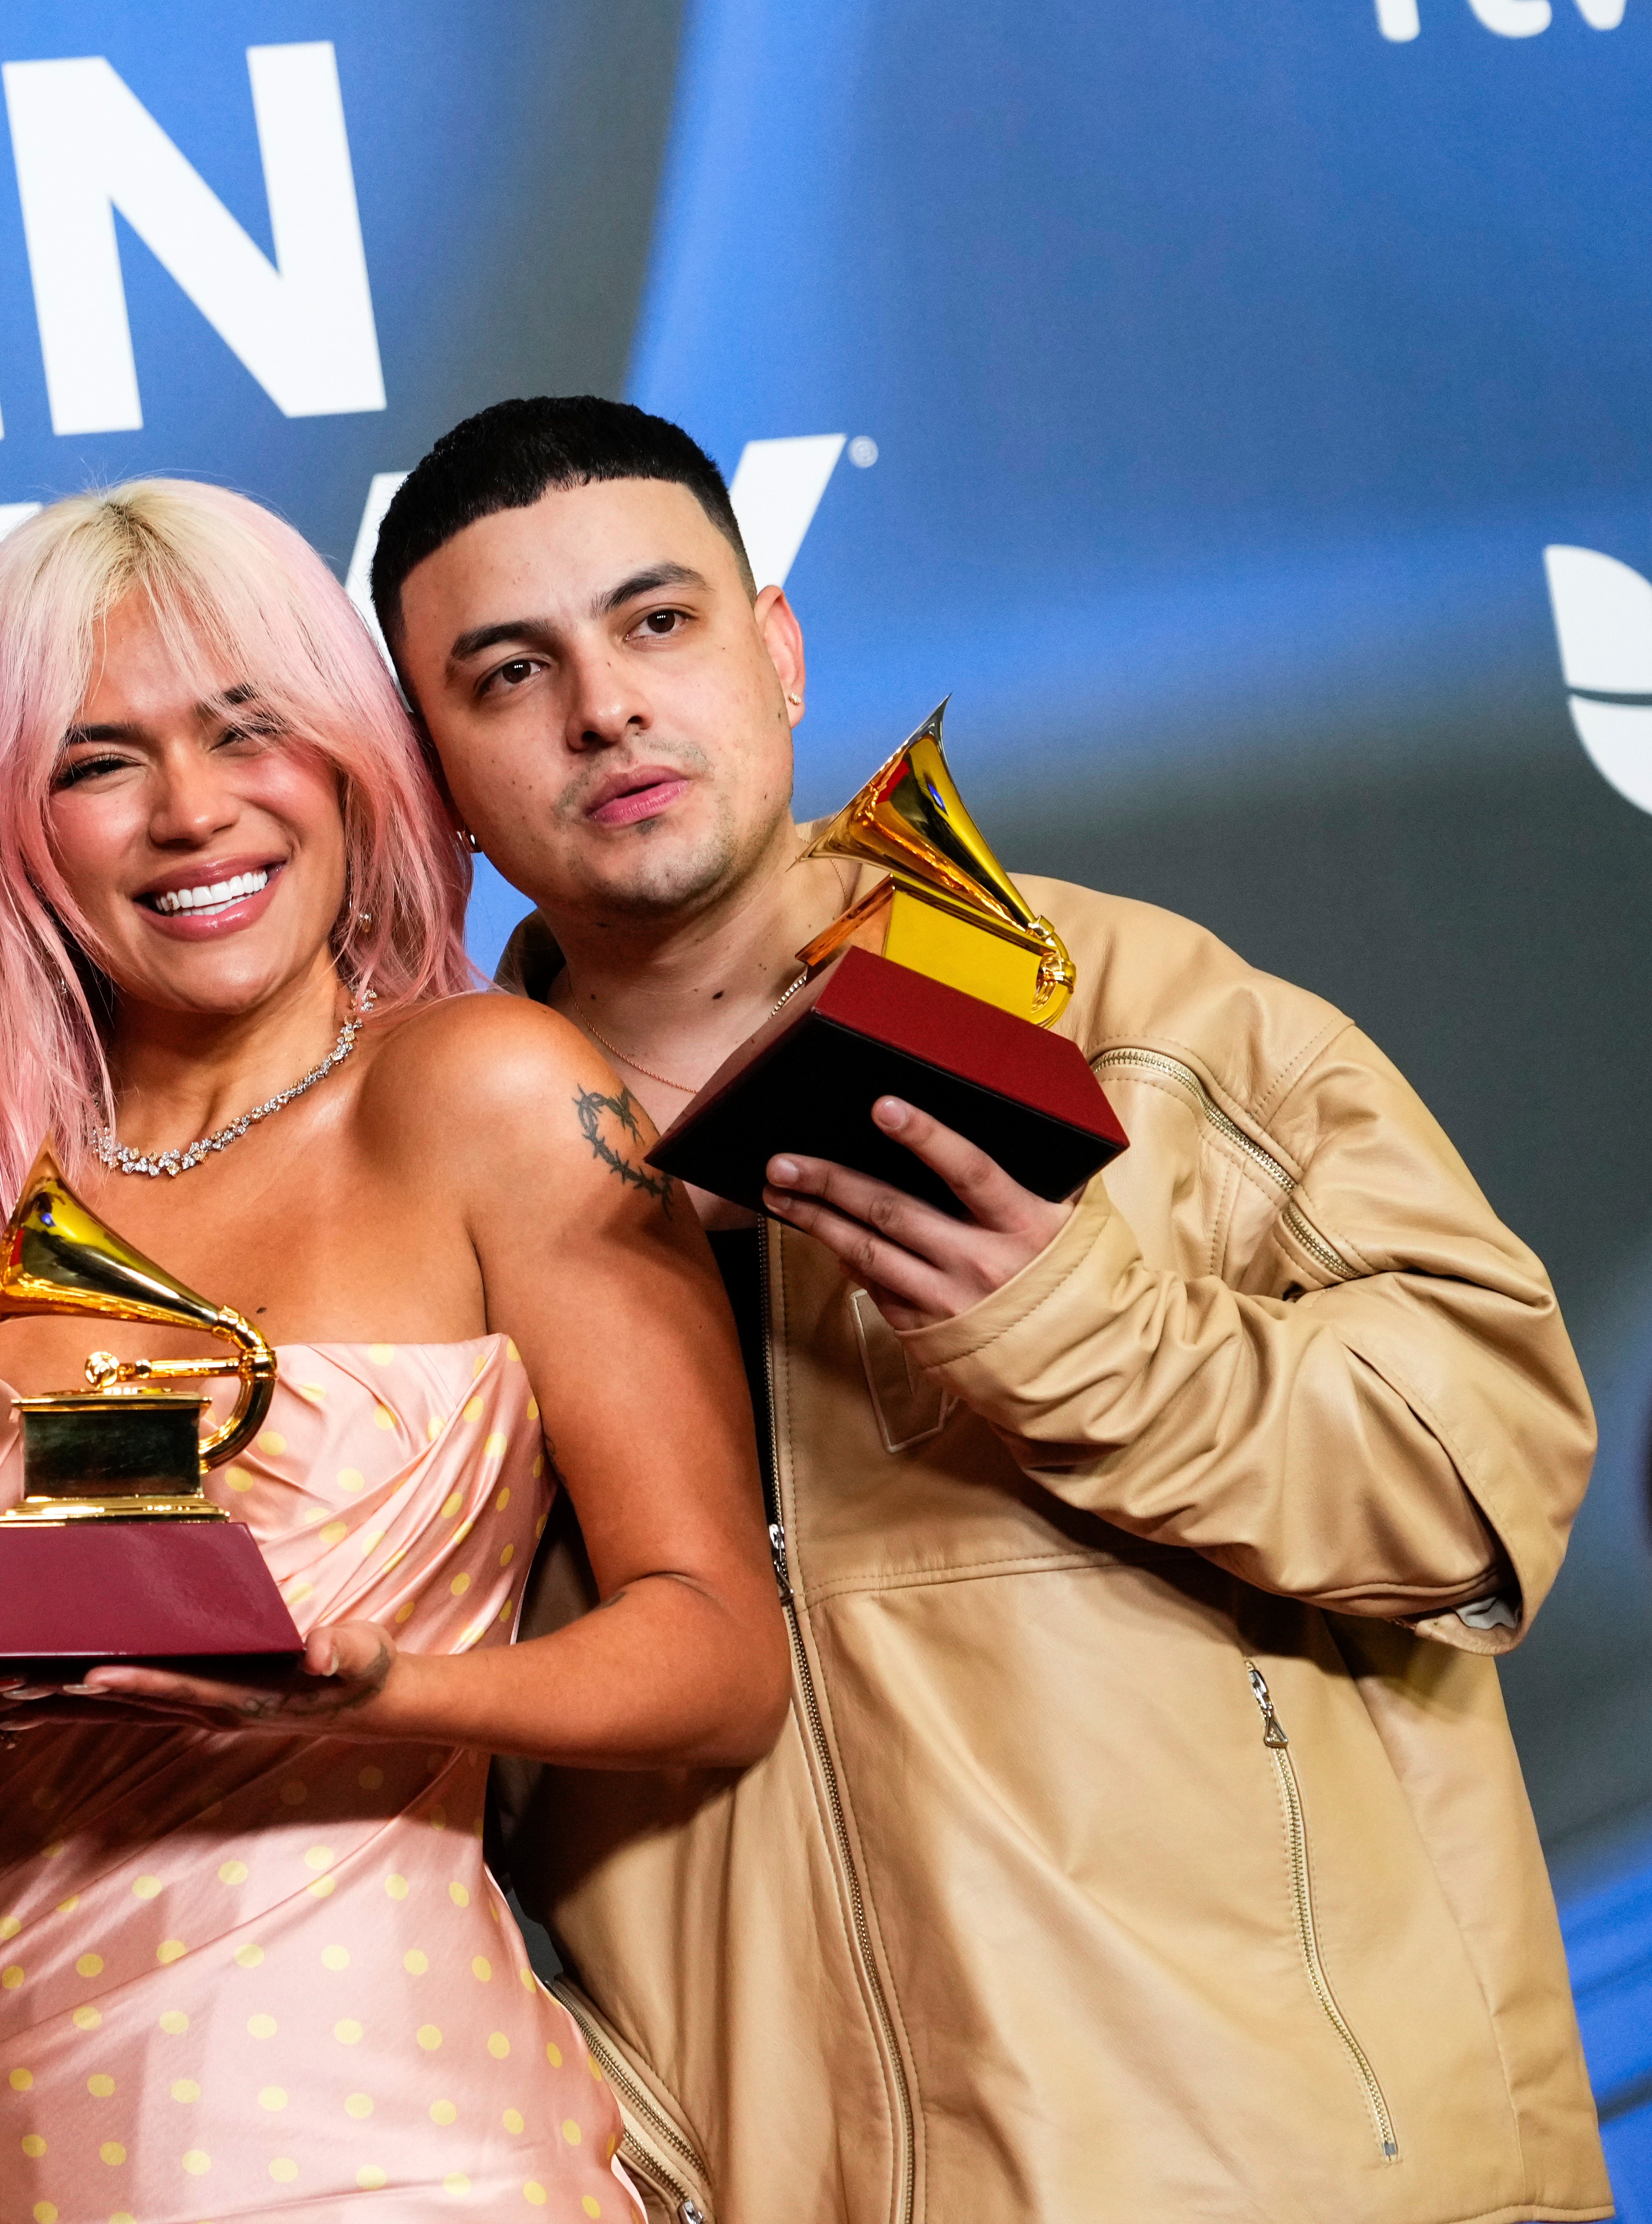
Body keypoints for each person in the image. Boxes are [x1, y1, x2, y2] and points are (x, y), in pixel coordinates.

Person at [371, 394, 1611, 2224]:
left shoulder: (1140, 1011)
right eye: (505, 674)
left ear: (774, 650)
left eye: (657, 622)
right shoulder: (415, 1195)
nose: (605, 708)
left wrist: (1069, 1323)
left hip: (1276, 2175)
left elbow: (1482, 1485)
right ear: (433, 778)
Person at [0, 479, 787, 2224]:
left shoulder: (489, 1092)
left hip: (393, 2154)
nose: (191, 812)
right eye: (93, 763)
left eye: (250, 732)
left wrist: (390, 1690)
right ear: (2, 820)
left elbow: (714, 1653)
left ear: (351, 760)